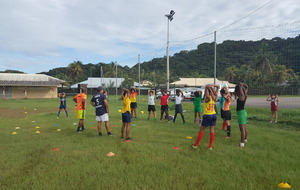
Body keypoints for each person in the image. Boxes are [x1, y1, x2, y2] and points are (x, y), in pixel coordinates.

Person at [192, 84, 219, 149]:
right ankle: (210, 146)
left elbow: (207, 88)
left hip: (207, 115)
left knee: (202, 130)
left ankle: (196, 145)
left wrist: (208, 88)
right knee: (212, 130)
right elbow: (216, 89)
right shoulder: (214, 97)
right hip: (214, 115)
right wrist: (213, 87)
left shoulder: (207, 98)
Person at [234, 83, 248, 147]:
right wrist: (243, 85)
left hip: (241, 113)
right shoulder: (245, 95)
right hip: (243, 112)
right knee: (244, 128)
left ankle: (242, 144)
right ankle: (245, 139)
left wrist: (240, 85)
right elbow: (247, 87)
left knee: (242, 129)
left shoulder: (242, 96)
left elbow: (241, 89)